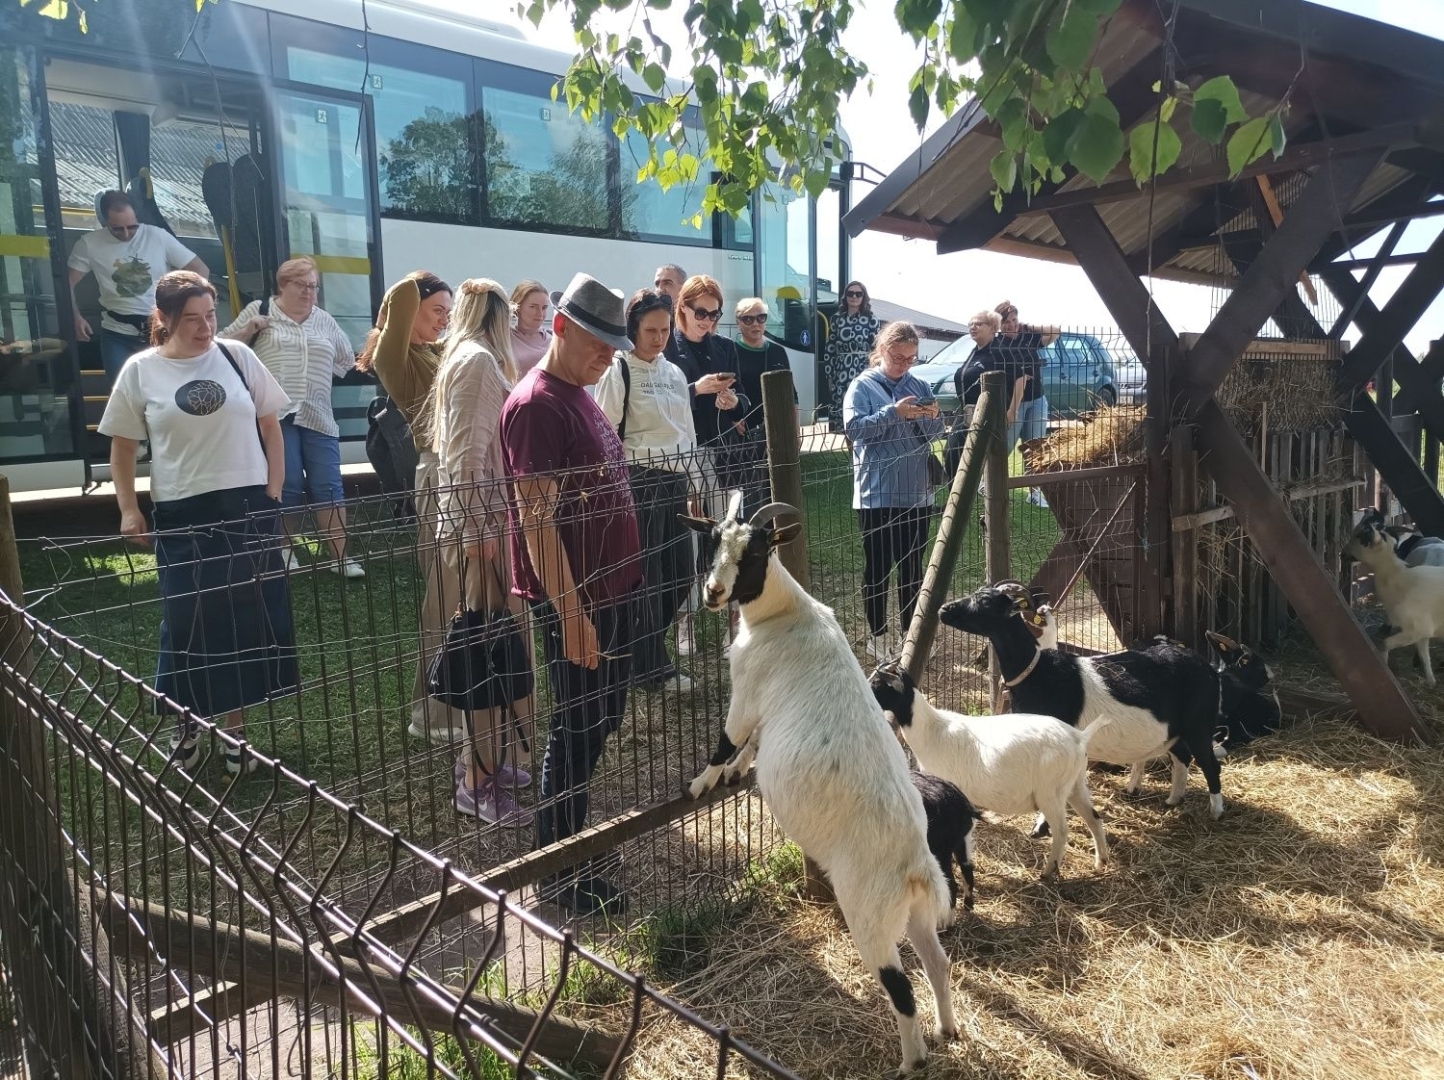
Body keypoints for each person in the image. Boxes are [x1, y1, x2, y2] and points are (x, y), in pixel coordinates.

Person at [97, 270, 295, 776]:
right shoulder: (140, 371)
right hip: (182, 511)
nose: (206, 328)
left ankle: (234, 732)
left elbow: (271, 425)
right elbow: (123, 448)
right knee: (185, 622)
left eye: (210, 316)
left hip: (247, 505)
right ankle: (186, 725)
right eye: (191, 319)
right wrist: (128, 509)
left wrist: (273, 490)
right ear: (163, 318)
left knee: (245, 619)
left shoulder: (238, 356)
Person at [502, 271, 642, 916]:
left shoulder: (579, 391)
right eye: (599, 343)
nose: (608, 356)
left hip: (610, 590)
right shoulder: (538, 404)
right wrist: (573, 615)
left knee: (598, 718)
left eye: (615, 346)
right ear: (560, 327)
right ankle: (558, 865)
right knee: (577, 726)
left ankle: (571, 840)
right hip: (577, 599)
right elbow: (536, 522)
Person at [428, 278, 537, 825]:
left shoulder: (471, 359)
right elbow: (467, 457)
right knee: (486, 656)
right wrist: (477, 531)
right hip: (482, 531)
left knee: (495, 647)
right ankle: (477, 780)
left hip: (486, 525)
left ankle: (486, 762)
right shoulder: (476, 362)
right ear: (496, 315)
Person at [357, 270, 460, 742]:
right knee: (442, 594)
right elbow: (400, 297)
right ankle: (429, 713)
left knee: (462, 594)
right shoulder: (394, 357)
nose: (444, 320)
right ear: (409, 311)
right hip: (435, 473)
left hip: (460, 471)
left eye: (447, 312)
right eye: (436, 310)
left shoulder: (439, 351)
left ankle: (458, 700)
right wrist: (415, 284)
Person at [221, 257, 363, 577]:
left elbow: (345, 360)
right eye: (301, 285)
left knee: (329, 484)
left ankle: (341, 557)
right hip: (275, 414)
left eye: (314, 286)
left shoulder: (324, 320)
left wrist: (318, 374)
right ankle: (284, 549)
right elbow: (221, 349)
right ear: (282, 285)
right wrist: (248, 329)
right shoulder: (260, 310)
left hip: (318, 413)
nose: (309, 292)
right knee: (289, 483)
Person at [595, 288, 700, 693]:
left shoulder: (674, 373)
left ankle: (639, 651)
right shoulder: (618, 371)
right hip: (638, 480)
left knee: (681, 572)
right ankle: (653, 668)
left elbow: (687, 431)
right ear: (633, 328)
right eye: (650, 330)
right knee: (648, 578)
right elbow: (605, 433)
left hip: (675, 480)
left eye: (665, 330)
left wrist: (691, 484)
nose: (658, 338)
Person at [843, 321, 943, 661]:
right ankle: (878, 635)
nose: (904, 364)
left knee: (912, 569)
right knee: (878, 569)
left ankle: (910, 635)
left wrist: (930, 416)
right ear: (883, 350)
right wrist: (893, 412)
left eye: (911, 358)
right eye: (898, 357)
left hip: (917, 494)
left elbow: (935, 432)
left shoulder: (920, 384)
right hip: (877, 494)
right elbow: (854, 430)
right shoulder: (862, 385)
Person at [664, 274, 748, 655]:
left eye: (715, 314)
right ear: (682, 307)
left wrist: (734, 402)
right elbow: (662, 402)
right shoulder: (666, 346)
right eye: (701, 313)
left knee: (728, 536)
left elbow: (744, 400)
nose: (708, 321)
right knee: (689, 541)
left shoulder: (725, 347)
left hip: (722, 454)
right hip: (683, 453)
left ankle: (735, 620)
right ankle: (685, 623)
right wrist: (696, 390)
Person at [68, 191, 210, 382]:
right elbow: (67, 282)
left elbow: (200, 269)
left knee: (166, 388)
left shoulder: (157, 236)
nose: (126, 234)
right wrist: (75, 317)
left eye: (132, 227)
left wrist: (183, 306)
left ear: (138, 218)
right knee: (123, 392)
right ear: (104, 222)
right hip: (117, 333)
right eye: (117, 229)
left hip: (161, 330)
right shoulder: (89, 244)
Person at [996, 300, 1061, 508]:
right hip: (1013, 403)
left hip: (1037, 400)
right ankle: (989, 483)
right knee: (1005, 446)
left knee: (1035, 447)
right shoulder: (998, 345)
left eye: (1014, 320)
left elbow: (1055, 331)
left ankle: (1034, 492)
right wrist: (1011, 409)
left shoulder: (1028, 336)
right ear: (999, 324)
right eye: (1006, 322)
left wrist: (1030, 326)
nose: (1011, 325)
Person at [732, 295, 793, 510]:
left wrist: (794, 430)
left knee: (780, 491)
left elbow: (791, 394)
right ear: (738, 322)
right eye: (748, 319)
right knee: (752, 495)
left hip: (776, 432)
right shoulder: (731, 351)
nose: (755, 324)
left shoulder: (778, 351)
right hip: (745, 434)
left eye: (761, 318)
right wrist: (732, 419)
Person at [944, 310, 1017, 478]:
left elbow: (1019, 378)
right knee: (952, 455)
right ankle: (958, 492)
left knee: (975, 459)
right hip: (966, 413)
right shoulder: (975, 351)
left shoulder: (1001, 351)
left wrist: (1012, 409)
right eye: (971, 324)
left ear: (992, 327)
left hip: (988, 415)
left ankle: (971, 491)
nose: (973, 327)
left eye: (978, 324)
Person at [823, 280, 881, 433]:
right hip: (841, 370)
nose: (854, 297)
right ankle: (848, 445)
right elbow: (830, 348)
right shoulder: (836, 319)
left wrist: (876, 372)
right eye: (850, 293)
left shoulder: (871, 319)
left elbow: (877, 349)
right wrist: (829, 375)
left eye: (858, 294)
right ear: (846, 296)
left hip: (863, 369)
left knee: (862, 405)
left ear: (863, 297)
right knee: (844, 408)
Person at [509, 280, 553, 378]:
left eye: (544, 308)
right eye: (533, 307)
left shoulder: (554, 338)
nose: (540, 314)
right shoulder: (505, 338)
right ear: (518, 307)